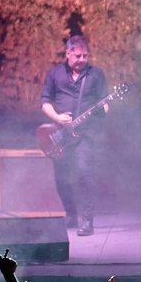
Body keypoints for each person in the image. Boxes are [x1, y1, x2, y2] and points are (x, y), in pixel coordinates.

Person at [39, 34, 108, 235]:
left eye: (85, 56)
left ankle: (87, 222)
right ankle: (71, 214)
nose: (82, 60)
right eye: (78, 56)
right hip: (60, 135)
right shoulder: (54, 74)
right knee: (61, 178)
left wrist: (103, 109)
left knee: (85, 176)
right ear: (68, 53)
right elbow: (45, 102)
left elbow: (104, 103)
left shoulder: (96, 75)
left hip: (84, 136)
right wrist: (58, 118)